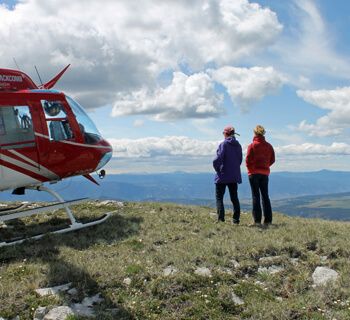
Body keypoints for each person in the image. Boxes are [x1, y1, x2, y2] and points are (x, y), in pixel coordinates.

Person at [246, 125, 275, 226]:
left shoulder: (252, 145)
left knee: (256, 196)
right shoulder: (269, 146)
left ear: (254, 133)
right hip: (265, 173)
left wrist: (251, 170)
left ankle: (257, 221)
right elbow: (272, 160)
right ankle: (268, 221)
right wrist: (265, 167)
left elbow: (248, 160)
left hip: (254, 174)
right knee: (265, 196)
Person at [213, 125, 242, 224]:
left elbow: (217, 159)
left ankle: (221, 219)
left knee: (219, 197)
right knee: (234, 198)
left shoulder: (223, 144)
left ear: (226, 133)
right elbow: (239, 160)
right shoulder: (238, 145)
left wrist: (217, 169)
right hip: (234, 176)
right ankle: (236, 219)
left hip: (223, 174)